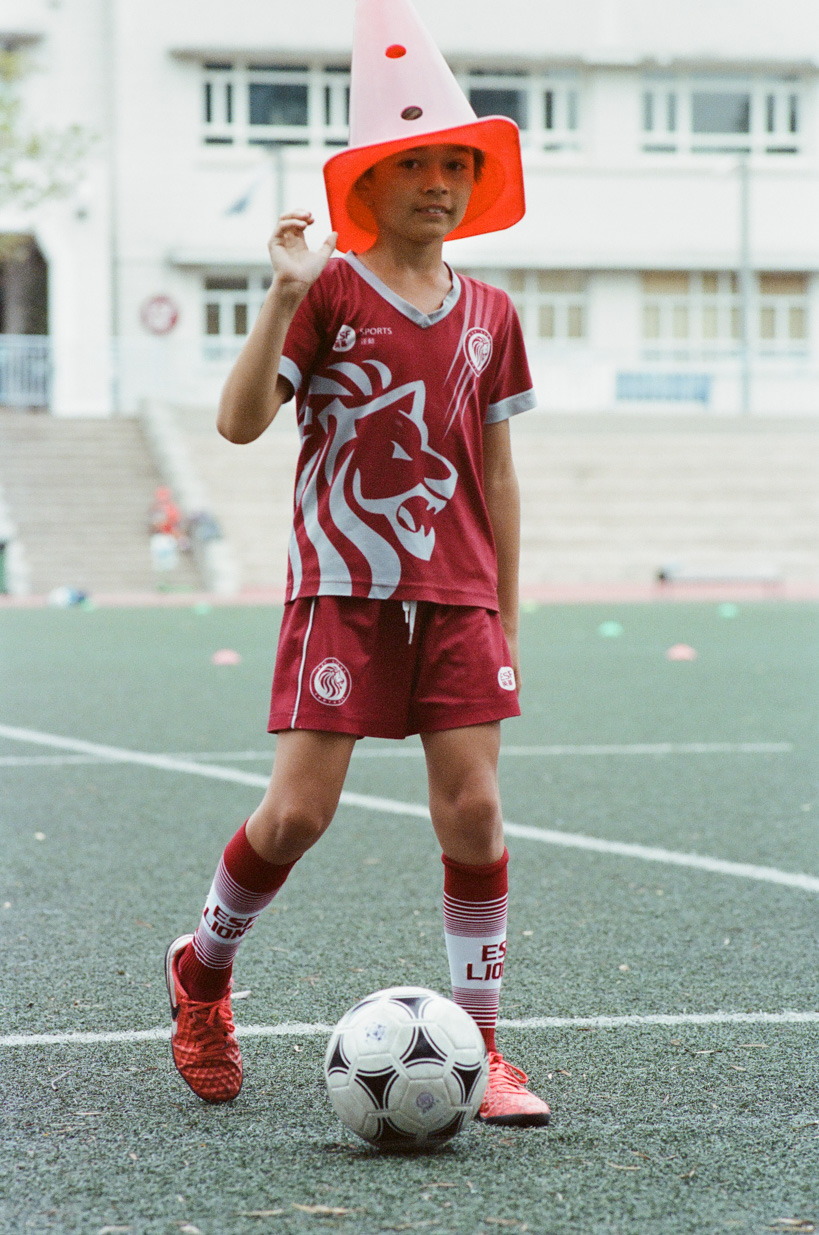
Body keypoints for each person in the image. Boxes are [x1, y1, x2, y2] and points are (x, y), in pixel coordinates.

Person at [164, 0, 550, 1129]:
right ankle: (201, 973)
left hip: (460, 596)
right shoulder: (329, 289)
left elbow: (499, 475)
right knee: (296, 815)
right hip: (342, 589)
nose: (438, 181)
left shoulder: (493, 313)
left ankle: (484, 1045)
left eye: (456, 164)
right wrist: (282, 292)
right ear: (366, 183)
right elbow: (239, 423)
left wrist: (506, 610)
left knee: (474, 811)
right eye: (413, 163)